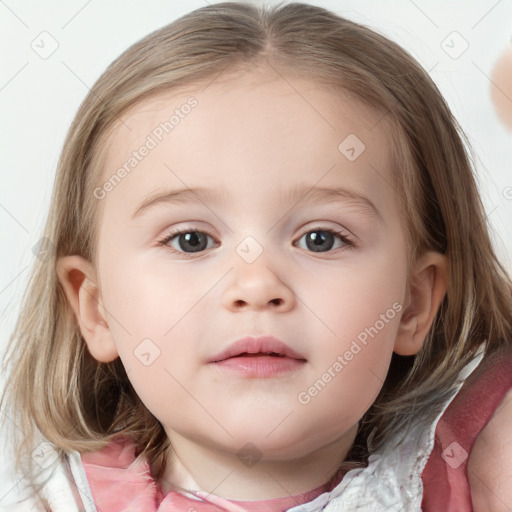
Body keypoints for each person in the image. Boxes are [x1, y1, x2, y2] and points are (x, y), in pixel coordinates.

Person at [1, 2, 511, 511]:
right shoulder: (51, 501)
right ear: (96, 309)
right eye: (191, 240)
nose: (256, 285)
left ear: (414, 302)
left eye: (320, 239)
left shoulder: (479, 467)